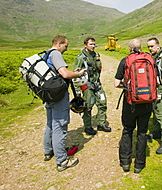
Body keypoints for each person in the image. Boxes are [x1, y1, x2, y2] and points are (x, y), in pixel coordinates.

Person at [43, 35, 86, 172]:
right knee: (60, 125)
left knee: (50, 123)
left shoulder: (46, 54)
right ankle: (62, 161)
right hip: (58, 97)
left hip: (49, 95)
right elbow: (65, 74)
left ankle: (49, 151)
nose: (66, 49)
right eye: (66, 46)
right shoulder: (55, 54)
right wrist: (78, 74)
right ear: (59, 44)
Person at [114, 39, 153, 174]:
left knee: (128, 130)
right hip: (147, 102)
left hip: (131, 102)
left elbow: (116, 83)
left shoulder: (125, 61)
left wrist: (127, 87)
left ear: (130, 48)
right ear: (140, 47)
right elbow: (158, 81)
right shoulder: (150, 59)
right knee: (142, 132)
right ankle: (139, 165)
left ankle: (125, 162)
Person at [74, 37, 111, 135]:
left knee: (103, 103)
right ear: (85, 45)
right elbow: (75, 75)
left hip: (97, 84)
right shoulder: (80, 58)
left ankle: (101, 124)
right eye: (90, 44)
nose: (93, 46)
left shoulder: (97, 55)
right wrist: (77, 91)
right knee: (88, 106)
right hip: (87, 86)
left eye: (94, 44)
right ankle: (88, 127)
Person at [146, 37, 162, 154]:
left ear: (158, 45)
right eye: (148, 47)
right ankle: (157, 132)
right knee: (155, 112)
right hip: (155, 89)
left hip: (161, 90)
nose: (150, 49)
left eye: (152, 46)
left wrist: (160, 91)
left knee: (161, 114)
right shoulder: (155, 57)